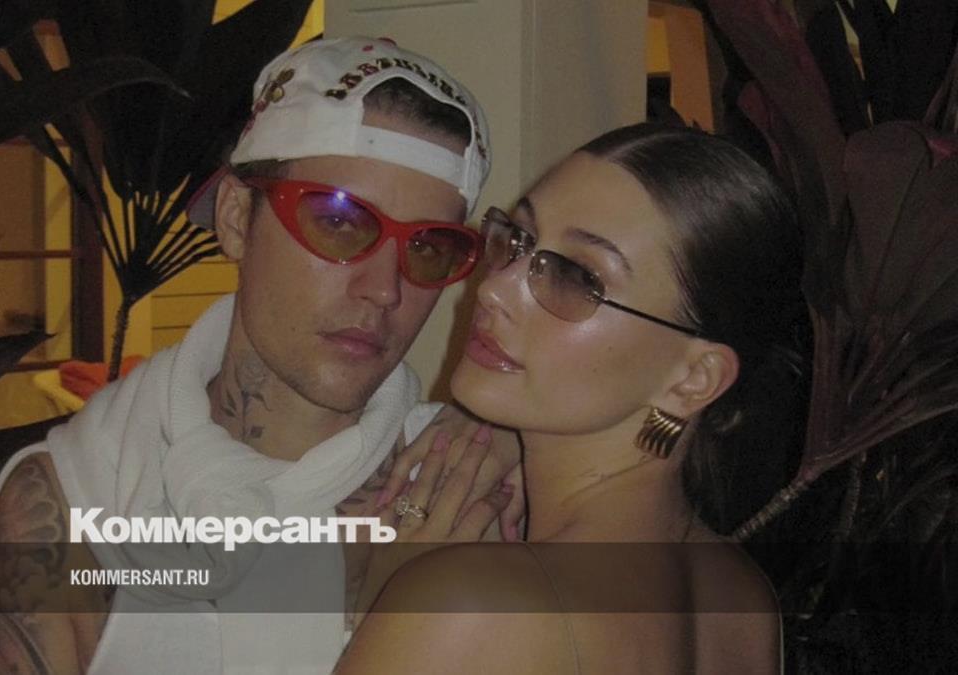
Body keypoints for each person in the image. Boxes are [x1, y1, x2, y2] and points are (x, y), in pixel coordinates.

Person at [0, 36, 523, 675]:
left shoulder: (468, 490)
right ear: (236, 218)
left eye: (429, 247)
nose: (385, 289)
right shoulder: (73, 510)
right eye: (338, 221)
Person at [337, 123, 803, 674]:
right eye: (518, 240)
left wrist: (379, 603)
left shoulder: (466, 604)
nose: (493, 289)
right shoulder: (742, 597)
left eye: (577, 277)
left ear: (693, 379)